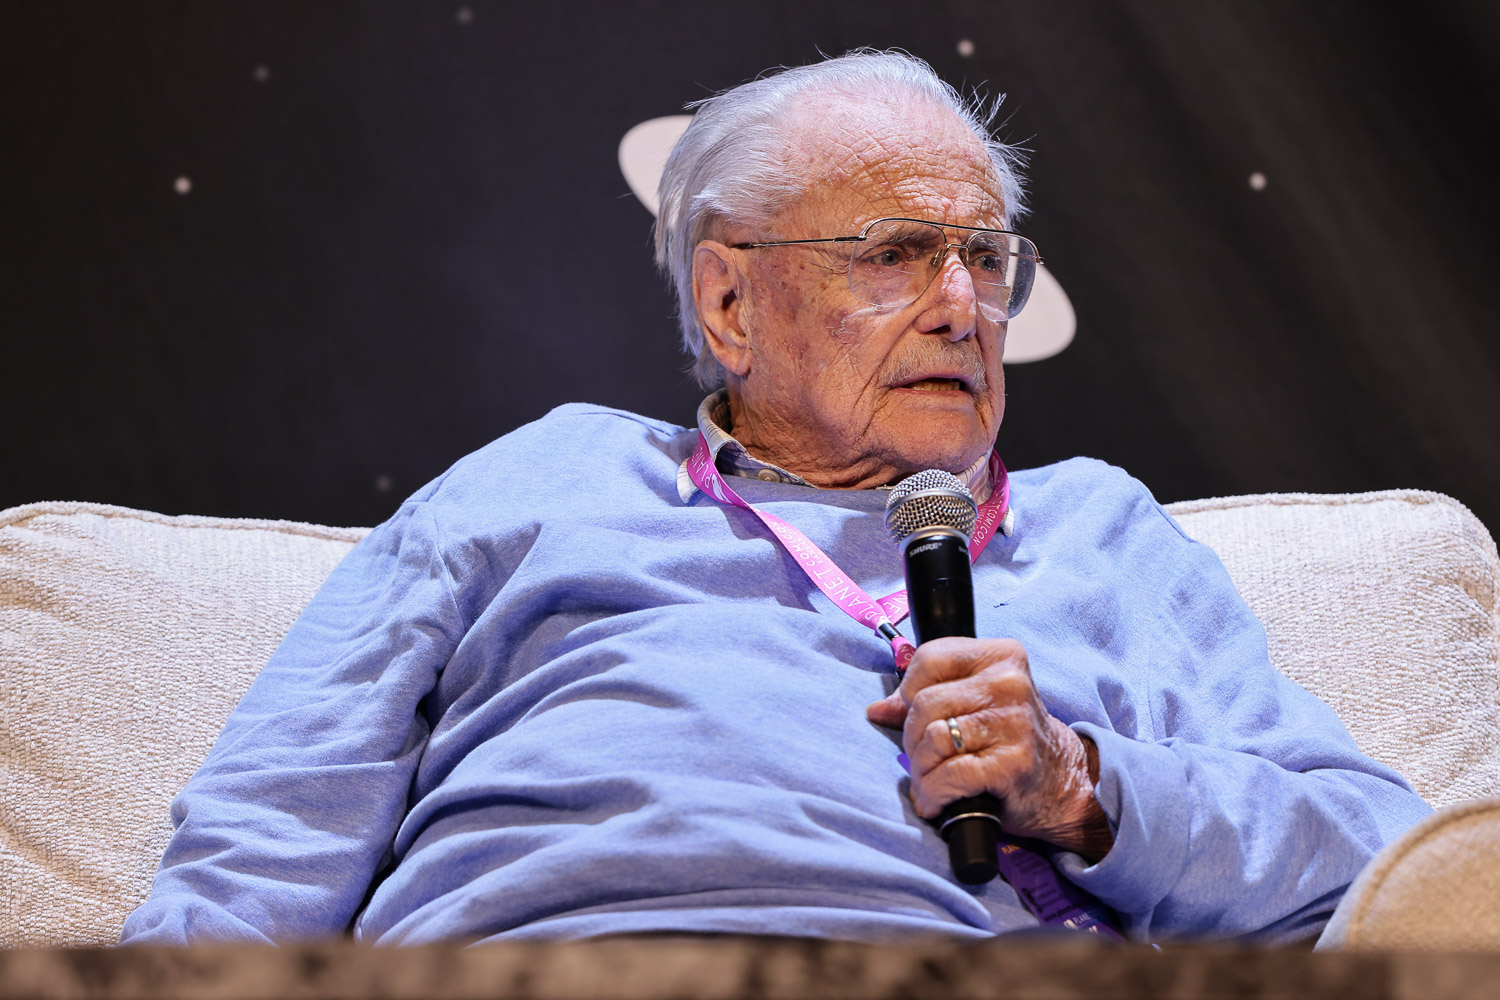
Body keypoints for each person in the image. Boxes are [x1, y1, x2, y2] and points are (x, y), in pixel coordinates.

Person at [120, 50, 1429, 947]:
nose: (966, 307)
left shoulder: (1103, 529)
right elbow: (265, 835)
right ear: (730, 302)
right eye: (897, 255)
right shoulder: (539, 480)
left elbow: (1384, 863)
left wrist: (1086, 788)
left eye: (985, 255)